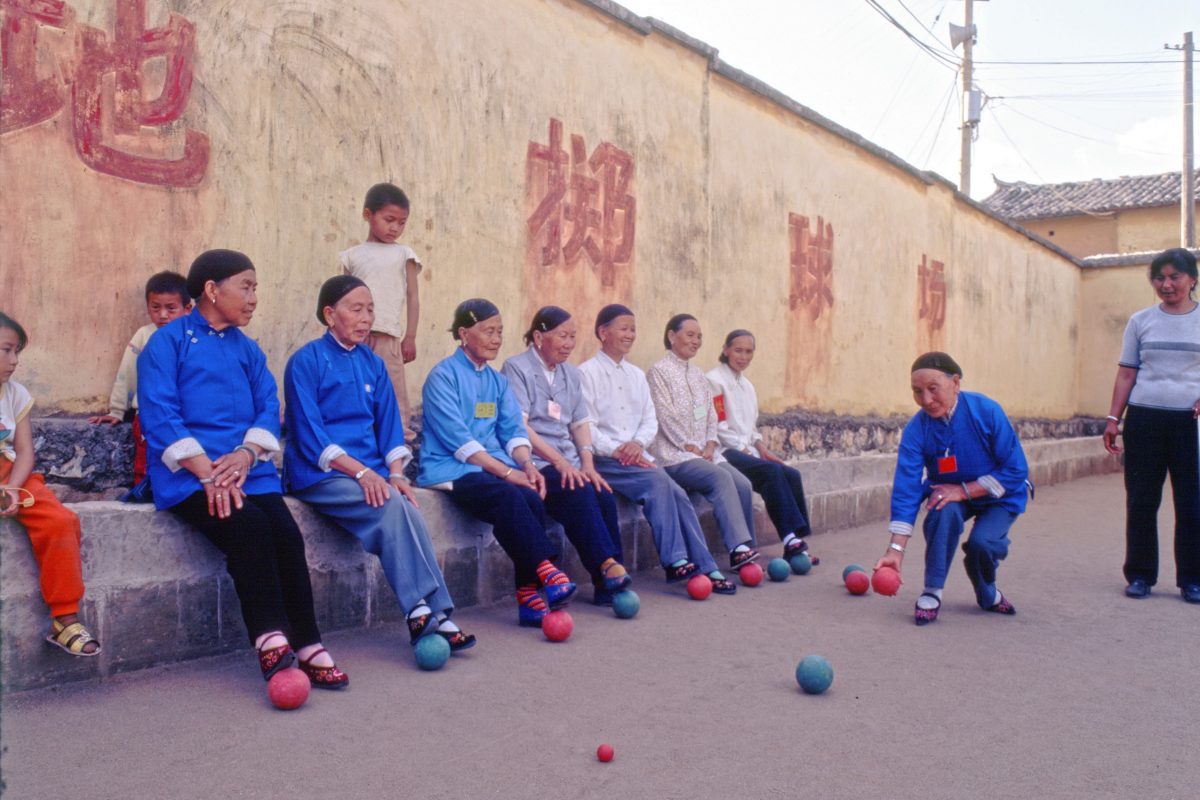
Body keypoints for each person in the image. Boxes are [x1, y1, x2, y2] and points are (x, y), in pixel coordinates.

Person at [138, 250, 348, 689]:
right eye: (246, 287)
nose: (254, 298)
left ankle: (308, 642)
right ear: (212, 290)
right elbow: (160, 413)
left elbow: (268, 407)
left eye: (255, 288)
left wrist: (247, 455)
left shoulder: (248, 350)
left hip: (248, 469)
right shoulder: (168, 342)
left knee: (286, 535)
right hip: (189, 474)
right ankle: (271, 638)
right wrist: (207, 472)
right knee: (248, 526)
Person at [284, 276, 475, 654]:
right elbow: (309, 436)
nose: (366, 317)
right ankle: (420, 610)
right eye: (356, 309)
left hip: (369, 473)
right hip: (319, 473)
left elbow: (389, 427)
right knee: (387, 505)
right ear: (329, 314)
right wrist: (362, 472)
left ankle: (432, 610)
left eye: (370, 309)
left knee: (407, 505)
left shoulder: (373, 363)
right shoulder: (305, 361)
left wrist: (396, 473)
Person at [418, 299, 577, 627]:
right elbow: (458, 441)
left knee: (531, 495)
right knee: (506, 494)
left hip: (491, 465)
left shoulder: (496, 381)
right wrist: (508, 473)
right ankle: (546, 570)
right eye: (488, 331)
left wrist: (527, 466)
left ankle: (529, 597)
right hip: (450, 468)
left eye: (500, 332)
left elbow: (513, 431)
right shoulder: (442, 377)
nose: (496, 339)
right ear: (464, 333)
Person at [580, 304, 732, 592]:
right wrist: (617, 450)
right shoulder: (586, 374)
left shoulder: (636, 375)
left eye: (633, 329)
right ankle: (674, 560)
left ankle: (706, 565)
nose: (630, 335)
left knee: (678, 494)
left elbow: (650, 418)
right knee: (660, 481)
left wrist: (638, 444)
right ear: (603, 332)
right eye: (623, 328)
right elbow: (586, 425)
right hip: (605, 460)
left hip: (637, 457)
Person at [874, 352, 1030, 625]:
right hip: (951, 494)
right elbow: (907, 488)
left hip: (1001, 493)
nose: (926, 400)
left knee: (983, 544)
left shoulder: (986, 411)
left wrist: (964, 490)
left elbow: (1016, 469)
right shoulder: (916, 430)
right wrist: (894, 551)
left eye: (933, 389)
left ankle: (987, 592)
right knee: (940, 510)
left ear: (955, 383)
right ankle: (932, 591)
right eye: (917, 392)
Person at [501, 306, 632, 605]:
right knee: (577, 489)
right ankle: (606, 566)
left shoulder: (570, 374)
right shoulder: (516, 368)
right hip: (536, 459)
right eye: (562, 336)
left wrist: (587, 464)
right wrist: (560, 463)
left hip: (567, 459)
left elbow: (580, 423)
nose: (569, 343)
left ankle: (607, 584)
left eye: (573, 337)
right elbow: (519, 427)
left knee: (601, 492)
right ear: (538, 336)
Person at [1102, 247, 1200, 604]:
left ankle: (1192, 579)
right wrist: (1114, 418)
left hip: (1191, 423)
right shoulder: (1140, 321)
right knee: (1142, 500)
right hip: (1144, 418)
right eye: (1159, 278)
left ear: (1192, 279)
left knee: (1192, 502)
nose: (1167, 284)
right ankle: (1140, 575)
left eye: (1175, 276)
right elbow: (1127, 372)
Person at [0, 312, 101, 657]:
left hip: (12, 474)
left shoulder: (15, 394)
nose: (13, 362)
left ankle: (64, 619)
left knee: (62, 521)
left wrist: (13, 488)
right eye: (6, 350)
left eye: (17, 352)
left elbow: (25, 451)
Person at [647, 314, 758, 584]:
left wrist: (709, 443)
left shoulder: (697, 375)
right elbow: (665, 416)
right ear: (672, 336)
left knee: (742, 483)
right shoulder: (658, 372)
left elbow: (710, 414)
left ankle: (745, 551)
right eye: (690, 335)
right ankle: (737, 547)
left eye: (699, 337)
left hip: (705, 452)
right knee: (720, 477)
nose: (695, 341)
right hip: (673, 454)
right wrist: (691, 447)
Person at [706, 329, 819, 565]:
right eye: (738, 350)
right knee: (772, 473)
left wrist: (762, 449)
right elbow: (718, 424)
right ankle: (788, 537)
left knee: (791, 474)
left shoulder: (747, 386)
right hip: (726, 451)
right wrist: (745, 450)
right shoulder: (714, 381)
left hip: (748, 450)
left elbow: (752, 427)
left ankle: (797, 542)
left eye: (748, 352)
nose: (743, 356)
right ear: (726, 350)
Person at [89, 271, 192, 487]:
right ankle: (143, 488)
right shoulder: (144, 336)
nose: (163, 315)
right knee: (146, 454)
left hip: (183, 414)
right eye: (156, 307)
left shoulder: (192, 339)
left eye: (171, 308)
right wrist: (117, 409)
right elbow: (127, 372)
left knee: (182, 454)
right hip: (147, 414)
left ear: (187, 308)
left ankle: (178, 493)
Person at [340, 182, 422, 441]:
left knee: (394, 394)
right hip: (355, 338)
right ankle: (359, 443)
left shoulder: (404, 254)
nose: (395, 228)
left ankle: (401, 448)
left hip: (388, 336)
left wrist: (410, 336)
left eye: (402, 222)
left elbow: (413, 296)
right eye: (389, 220)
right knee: (355, 391)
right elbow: (343, 298)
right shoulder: (352, 256)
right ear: (367, 215)